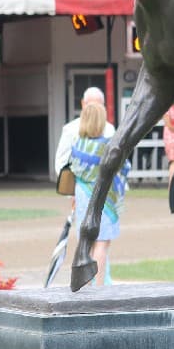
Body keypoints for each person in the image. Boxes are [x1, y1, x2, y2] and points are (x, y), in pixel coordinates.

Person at [70, 102, 129, 286]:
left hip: (81, 194)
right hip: (102, 197)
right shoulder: (107, 147)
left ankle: (86, 286)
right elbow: (124, 168)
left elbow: (73, 171)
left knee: (87, 244)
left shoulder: (78, 145)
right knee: (102, 243)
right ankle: (99, 286)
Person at [55, 86, 116, 176]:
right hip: (76, 184)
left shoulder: (110, 129)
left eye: (98, 106)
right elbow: (61, 163)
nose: (94, 110)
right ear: (83, 104)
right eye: (91, 106)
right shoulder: (70, 129)